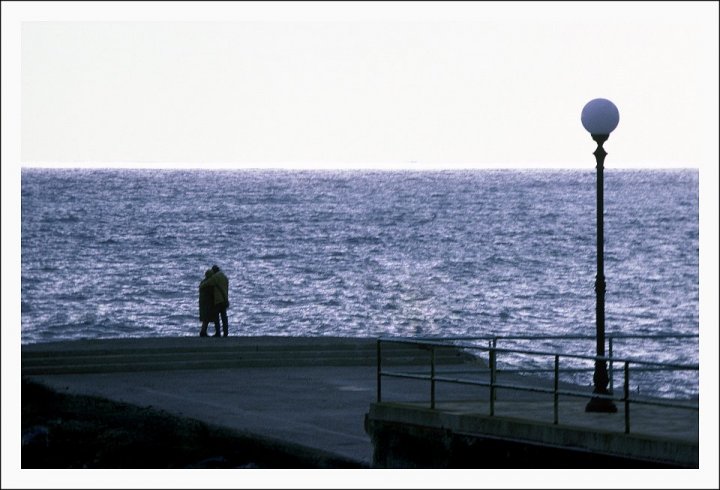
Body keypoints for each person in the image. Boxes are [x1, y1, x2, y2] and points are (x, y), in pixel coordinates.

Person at [202, 264, 230, 337]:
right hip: (224, 300)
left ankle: (218, 333)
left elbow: (207, 283)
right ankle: (226, 333)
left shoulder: (215, 277)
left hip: (218, 300)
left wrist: (201, 285)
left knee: (216, 318)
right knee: (224, 317)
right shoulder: (225, 277)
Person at [198, 269, 221, 337]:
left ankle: (203, 331)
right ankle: (203, 332)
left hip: (203, 303)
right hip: (207, 303)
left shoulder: (203, 282)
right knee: (206, 319)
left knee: (206, 319)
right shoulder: (209, 284)